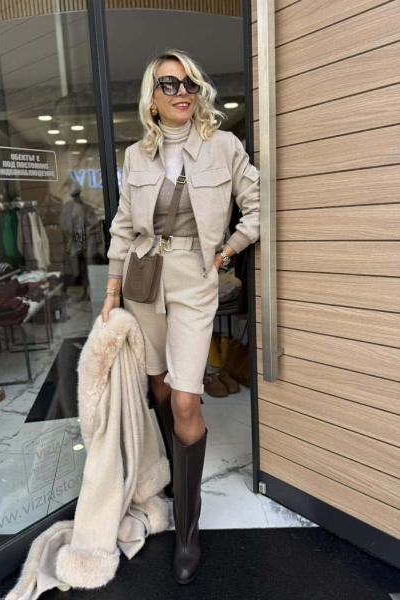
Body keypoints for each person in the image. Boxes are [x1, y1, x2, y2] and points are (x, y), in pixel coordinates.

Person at [101, 49, 260, 584]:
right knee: (161, 389)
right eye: (169, 84)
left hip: (195, 282)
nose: (182, 91)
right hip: (144, 282)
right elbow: (123, 226)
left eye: (190, 82)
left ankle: (187, 531)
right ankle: (174, 474)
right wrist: (111, 291)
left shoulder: (223, 146)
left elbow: (256, 204)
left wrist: (229, 249)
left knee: (187, 397)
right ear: (152, 97)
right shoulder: (135, 156)